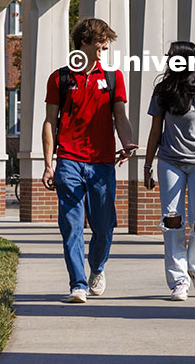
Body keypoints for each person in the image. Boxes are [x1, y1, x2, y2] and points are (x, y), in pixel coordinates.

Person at [42, 18, 138, 303]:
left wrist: (127, 142)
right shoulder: (60, 78)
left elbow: (120, 117)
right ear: (84, 41)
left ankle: (97, 267)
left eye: (106, 41)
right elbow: (50, 122)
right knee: (71, 225)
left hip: (102, 162)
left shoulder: (112, 77)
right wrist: (49, 163)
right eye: (100, 40)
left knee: (104, 225)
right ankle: (78, 284)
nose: (104, 46)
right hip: (69, 160)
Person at [144, 41, 195, 301]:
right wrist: (147, 165)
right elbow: (155, 131)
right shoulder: (162, 91)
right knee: (172, 219)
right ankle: (178, 280)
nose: (169, 60)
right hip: (170, 161)